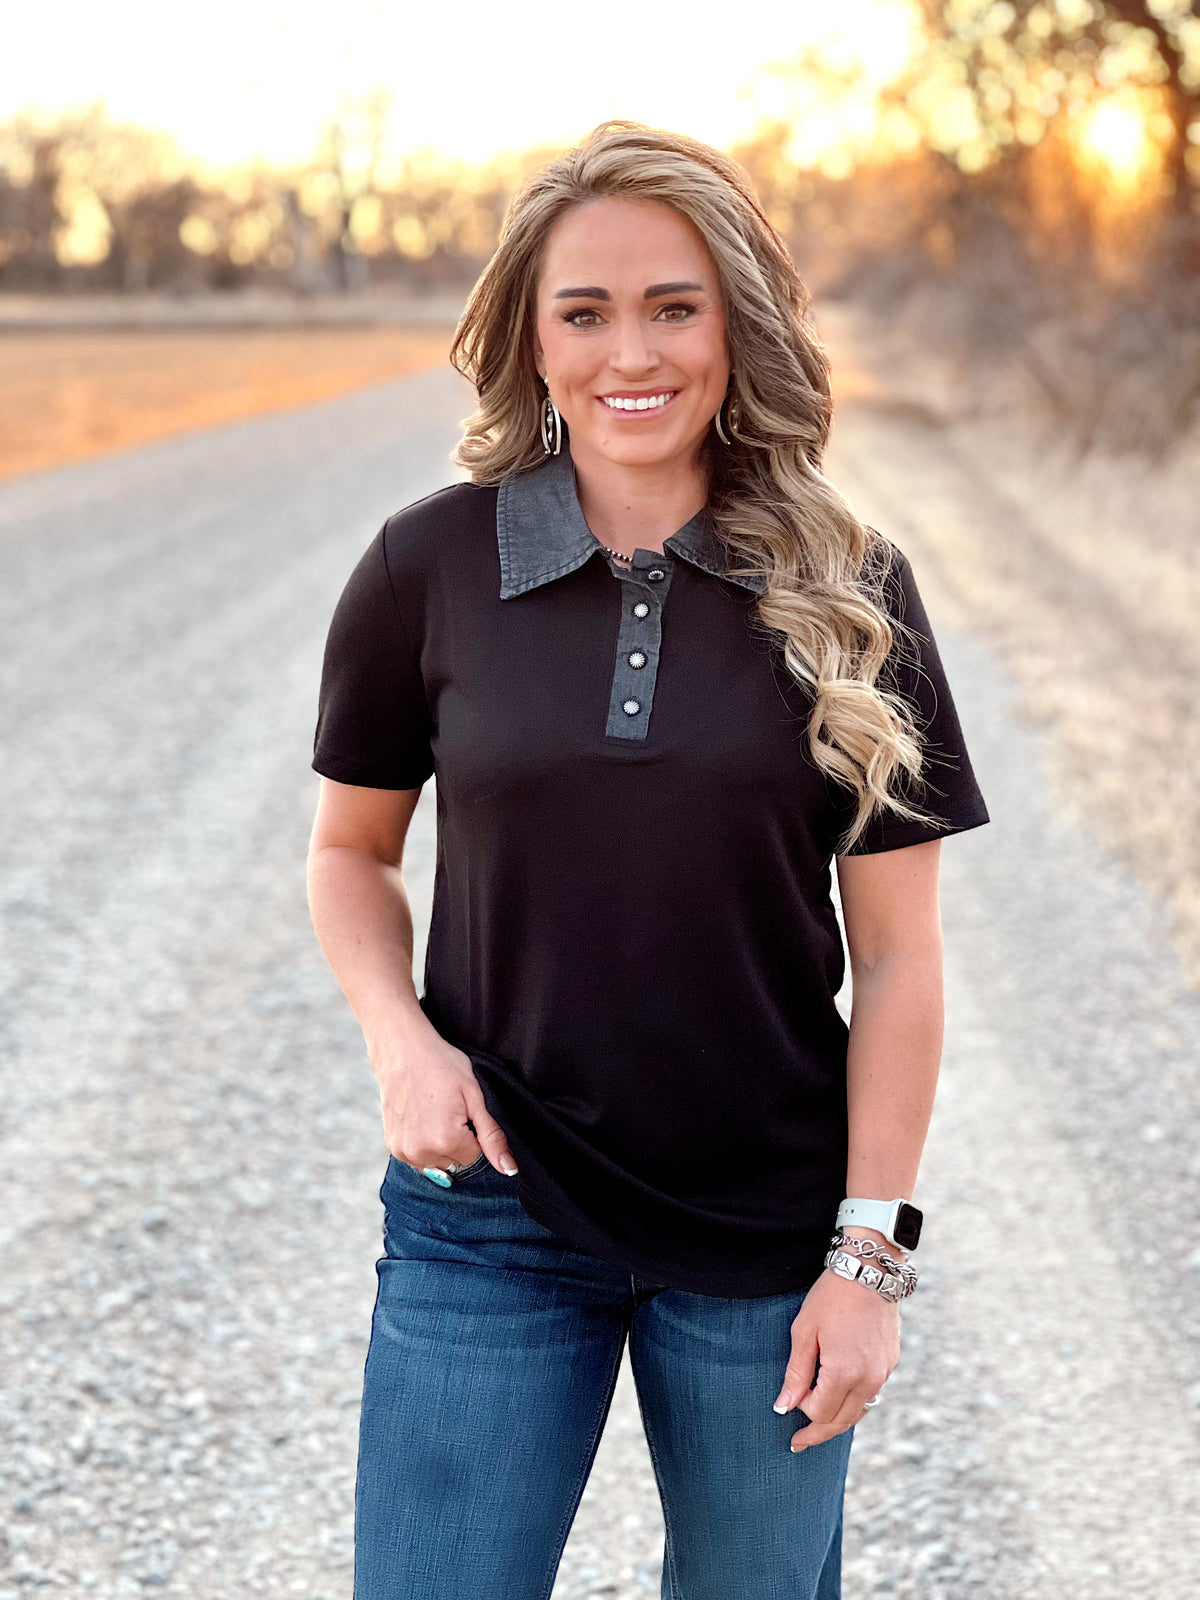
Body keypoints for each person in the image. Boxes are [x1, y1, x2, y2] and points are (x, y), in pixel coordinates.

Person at [306, 121, 990, 1600]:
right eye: (586, 312)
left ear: (738, 326)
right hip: (489, 1210)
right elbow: (352, 853)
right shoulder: (427, 567)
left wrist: (867, 1257)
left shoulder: (853, 590)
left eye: (676, 307)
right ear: (532, 340)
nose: (634, 352)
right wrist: (402, 1044)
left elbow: (900, 958)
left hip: (767, 1227)